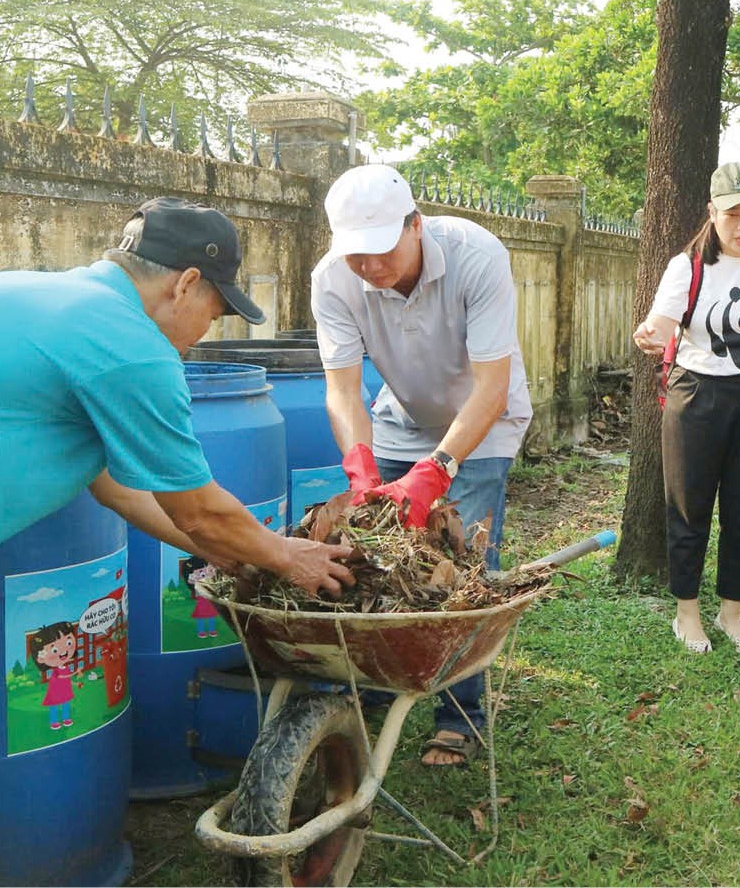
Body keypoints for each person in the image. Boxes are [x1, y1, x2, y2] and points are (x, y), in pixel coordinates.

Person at [0, 196, 353, 598]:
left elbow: (115, 488)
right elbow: (199, 511)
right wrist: (287, 556)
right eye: (214, 314)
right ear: (186, 284)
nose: (205, 330)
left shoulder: (51, 295)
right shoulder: (133, 349)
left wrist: (237, 552)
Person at [311, 163, 533, 765]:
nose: (372, 268)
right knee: (370, 550)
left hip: (482, 424)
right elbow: (343, 391)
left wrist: (437, 471)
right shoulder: (334, 279)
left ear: (416, 223)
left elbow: (491, 385)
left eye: (382, 251)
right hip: (399, 419)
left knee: (462, 562)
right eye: (357, 255)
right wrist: (360, 467)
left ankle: (460, 715)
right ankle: (378, 682)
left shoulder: (476, 256)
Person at [633, 163, 740, 654]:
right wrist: (649, 336)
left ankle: (732, 611)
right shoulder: (687, 266)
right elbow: (661, 324)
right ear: (713, 212)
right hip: (697, 396)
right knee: (689, 507)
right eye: (733, 214)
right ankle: (687, 612)